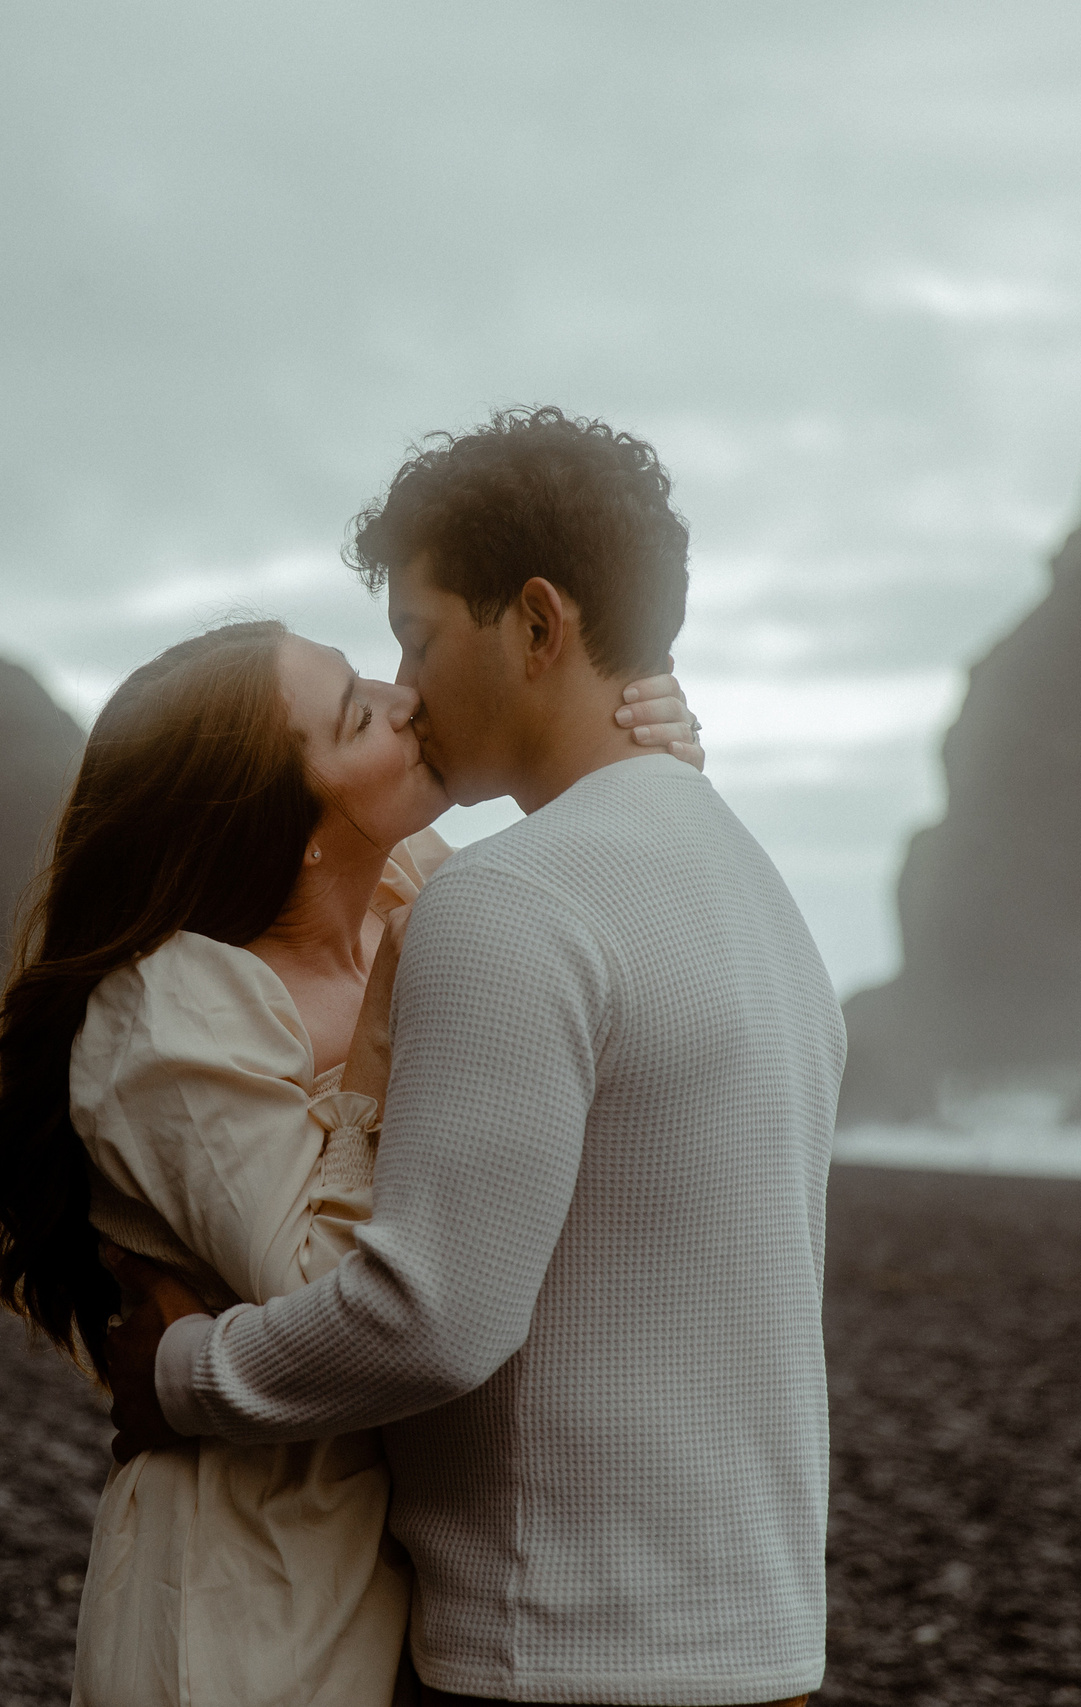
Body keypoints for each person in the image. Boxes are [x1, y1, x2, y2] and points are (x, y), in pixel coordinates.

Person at [104, 408, 848, 1707]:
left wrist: (180, 1376)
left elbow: (432, 1317)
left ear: (540, 624)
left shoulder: (510, 903)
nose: (408, 687)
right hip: (760, 1643)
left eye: (419, 634)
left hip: (560, 1655)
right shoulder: (759, 893)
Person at [0, 600, 703, 1703]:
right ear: (285, 820)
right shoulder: (172, 1012)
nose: (408, 699)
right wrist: (390, 1023)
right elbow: (332, 1290)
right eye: (359, 716)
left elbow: (592, 936)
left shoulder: (415, 887)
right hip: (254, 1580)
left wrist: (644, 765)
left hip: (431, 1556)